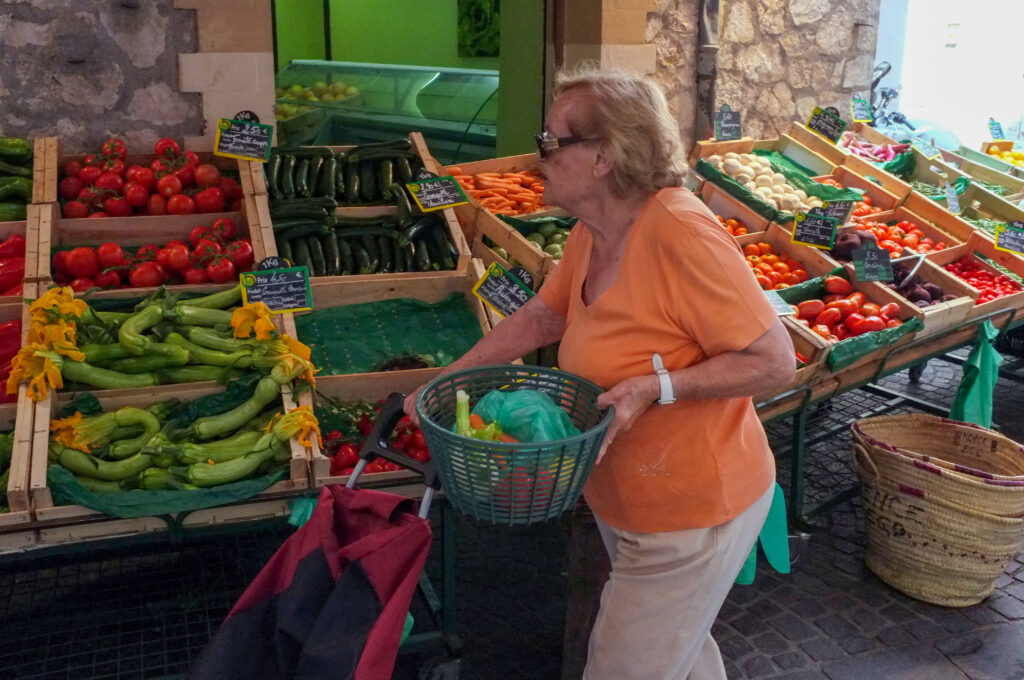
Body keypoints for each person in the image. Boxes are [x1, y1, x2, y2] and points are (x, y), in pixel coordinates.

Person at [405, 66, 795, 679]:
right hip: (627, 499)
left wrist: (658, 387)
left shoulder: (681, 234)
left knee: (622, 666)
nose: (538, 158)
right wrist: (444, 382)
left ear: (605, 157)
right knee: (681, 658)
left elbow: (775, 362)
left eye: (552, 143)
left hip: (692, 511)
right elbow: (541, 318)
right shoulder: (597, 230)